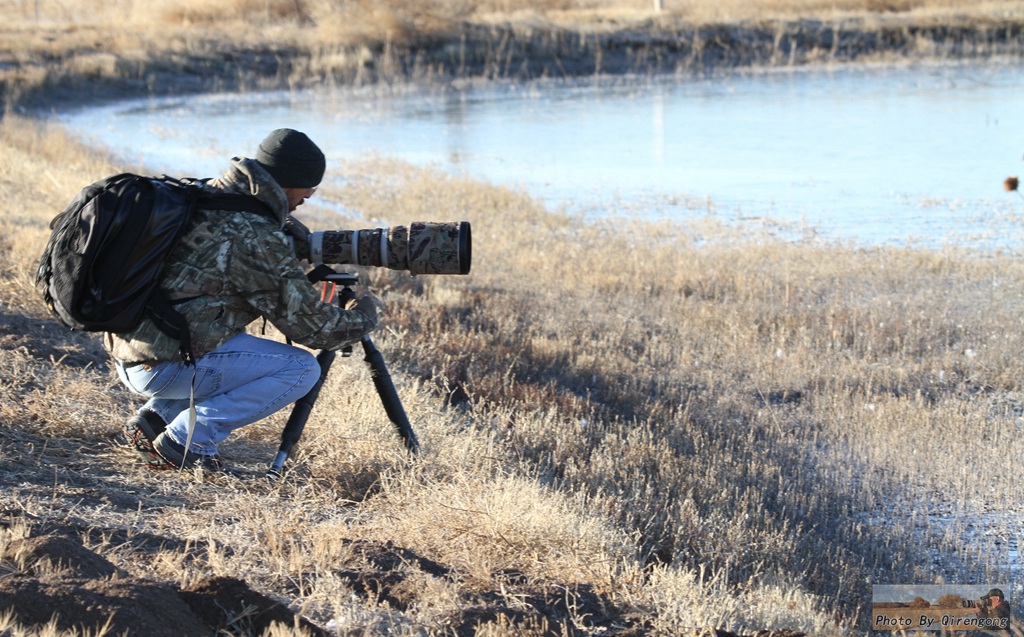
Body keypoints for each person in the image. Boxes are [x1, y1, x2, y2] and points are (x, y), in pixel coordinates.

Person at [111, 128, 381, 471]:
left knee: (231, 341)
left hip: (134, 353)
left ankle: (154, 420)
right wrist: (365, 316)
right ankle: (186, 441)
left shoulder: (210, 193)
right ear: (288, 181)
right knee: (301, 369)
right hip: (164, 367)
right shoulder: (252, 232)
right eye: (309, 187)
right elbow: (317, 330)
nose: (310, 196)